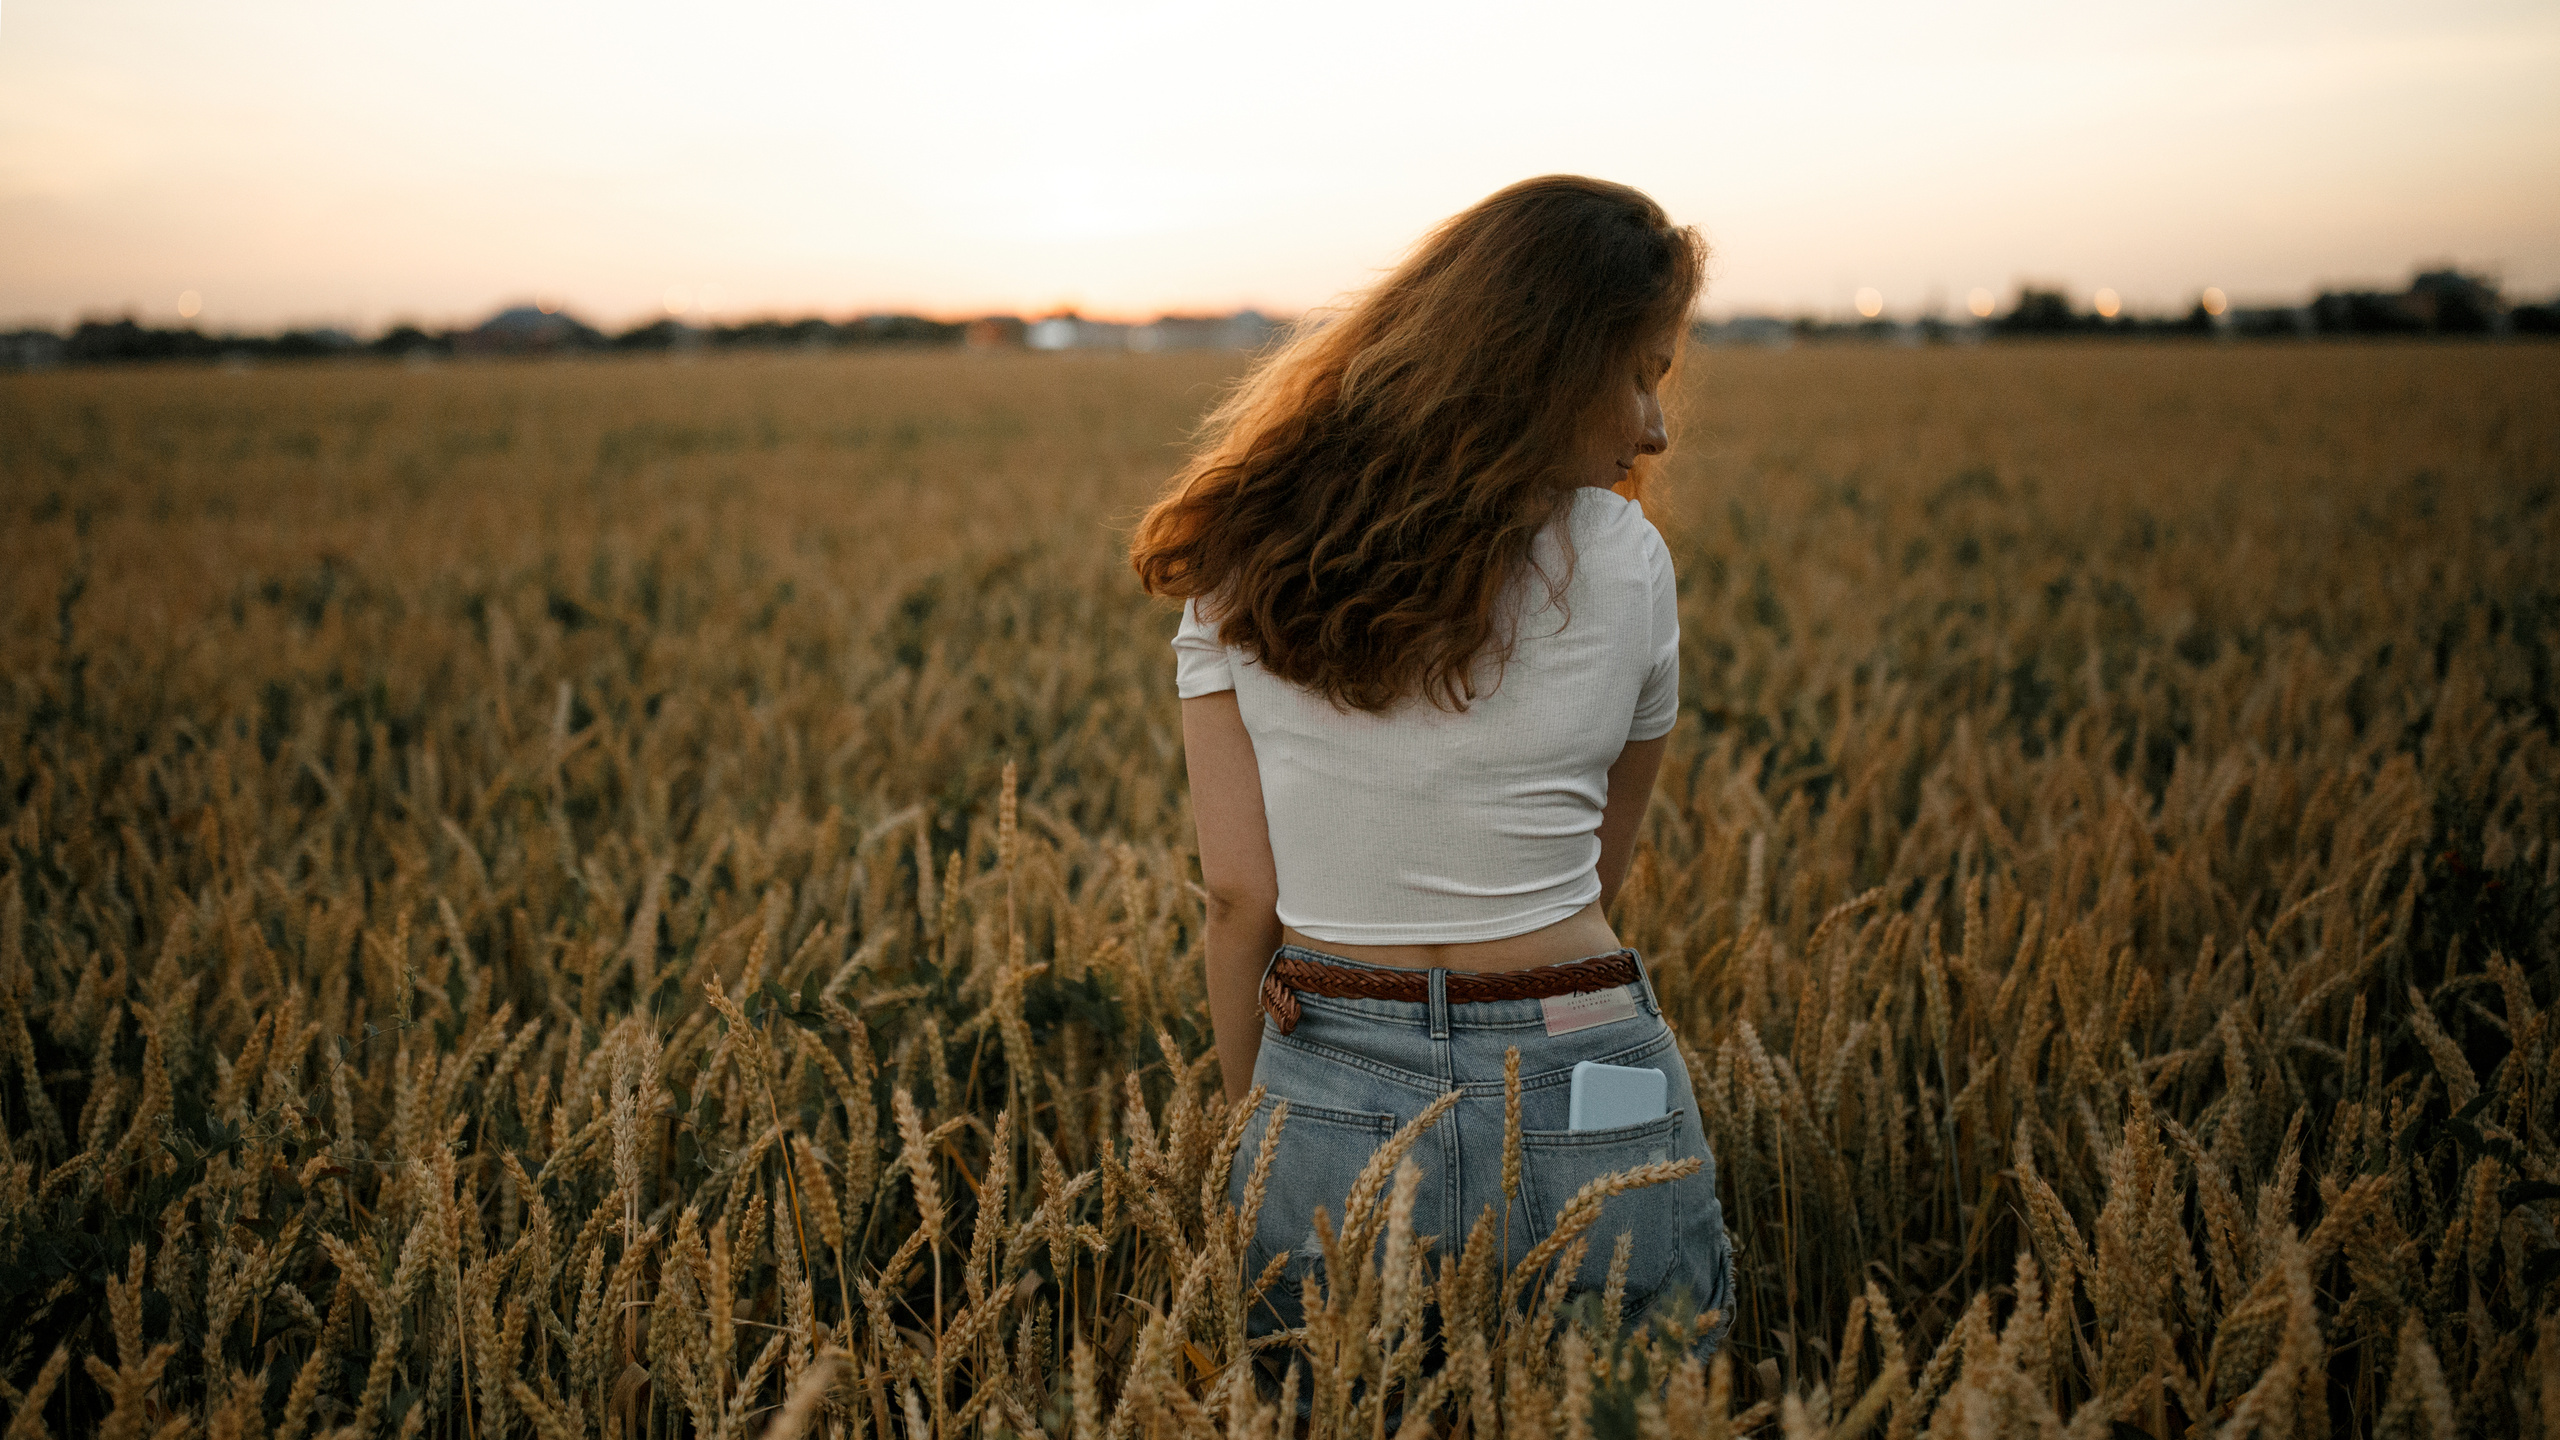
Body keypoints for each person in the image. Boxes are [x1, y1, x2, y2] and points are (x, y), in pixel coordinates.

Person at [1129, 175, 1733, 1359]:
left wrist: (1267, 1120)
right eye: (1640, 373)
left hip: (1327, 1083)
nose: (1655, 429)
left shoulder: (1238, 558)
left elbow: (1240, 901)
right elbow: (1593, 880)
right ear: (1540, 360)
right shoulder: (1624, 556)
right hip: (1586, 1070)